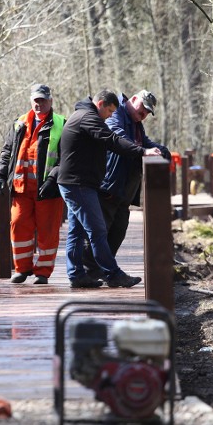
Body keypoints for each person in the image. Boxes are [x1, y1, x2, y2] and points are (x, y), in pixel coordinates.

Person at [57, 89, 162, 288]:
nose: (111, 116)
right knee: (97, 230)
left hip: (75, 182)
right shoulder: (89, 118)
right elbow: (112, 140)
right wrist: (142, 151)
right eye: (110, 111)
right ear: (101, 105)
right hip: (79, 184)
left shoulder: (81, 115)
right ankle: (112, 274)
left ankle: (76, 275)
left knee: (77, 232)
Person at [83, 90, 170, 279]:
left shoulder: (136, 122)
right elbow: (121, 139)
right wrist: (145, 151)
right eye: (143, 109)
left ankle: (104, 269)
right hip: (109, 183)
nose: (144, 115)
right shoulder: (116, 115)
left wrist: (162, 151)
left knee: (119, 229)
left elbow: (142, 142)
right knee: (100, 230)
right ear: (134, 100)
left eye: (147, 113)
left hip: (124, 189)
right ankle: (89, 271)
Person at [0, 83, 65, 285]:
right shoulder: (19, 123)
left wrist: (53, 178)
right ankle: (22, 269)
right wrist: (0, 175)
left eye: (43, 100)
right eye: (36, 100)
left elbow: (66, 158)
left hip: (48, 190)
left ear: (50, 101)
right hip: (21, 188)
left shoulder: (61, 123)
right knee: (18, 225)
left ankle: (43, 272)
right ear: (30, 101)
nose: (39, 104)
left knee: (48, 231)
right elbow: (6, 151)